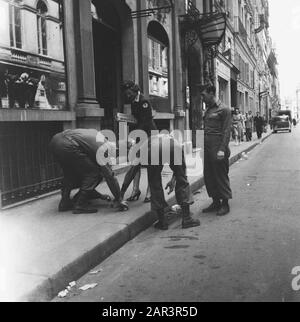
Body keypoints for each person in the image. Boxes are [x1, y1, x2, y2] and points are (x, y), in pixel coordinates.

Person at [120, 133, 200, 230]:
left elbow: (131, 173)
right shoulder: (153, 140)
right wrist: (174, 179)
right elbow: (181, 171)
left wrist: (121, 194)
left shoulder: (140, 149)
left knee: (155, 184)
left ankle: (162, 222)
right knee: (182, 180)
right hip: (173, 146)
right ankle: (187, 219)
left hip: (155, 151)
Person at [49, 129, 128, 214]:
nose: (113, 159)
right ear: (116, 149)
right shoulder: (105, 149)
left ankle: (64, 203)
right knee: (94, 173)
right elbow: (109, 176)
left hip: (56, 141)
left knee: (69, 173)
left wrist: (99, 195)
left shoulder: (99, 137)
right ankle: (80, 205)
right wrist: (119, 198)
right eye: (115, 156)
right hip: (68, 145)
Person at [121, 80, 158, 203]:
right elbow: (136, 120)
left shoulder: (144, 101)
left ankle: (150, 192)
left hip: (149, 135)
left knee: (150, 164)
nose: (128, 96)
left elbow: (145, 122)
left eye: (129, 93)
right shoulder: (133, 102)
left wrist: (134, 136)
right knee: (135, 162)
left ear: (135, 91)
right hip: (139, 135)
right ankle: (135, 190)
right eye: (126, 94)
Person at [200, 84, 232, 217]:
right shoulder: (208, 110)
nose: (202, 98)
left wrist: (222, 150)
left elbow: (226, 131)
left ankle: (225, 203)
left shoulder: (224, 109)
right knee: (209, 175)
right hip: (207, 146)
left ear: (212, 93)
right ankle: (215, 201)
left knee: (220, 175)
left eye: (204, 95)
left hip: (218, 146)